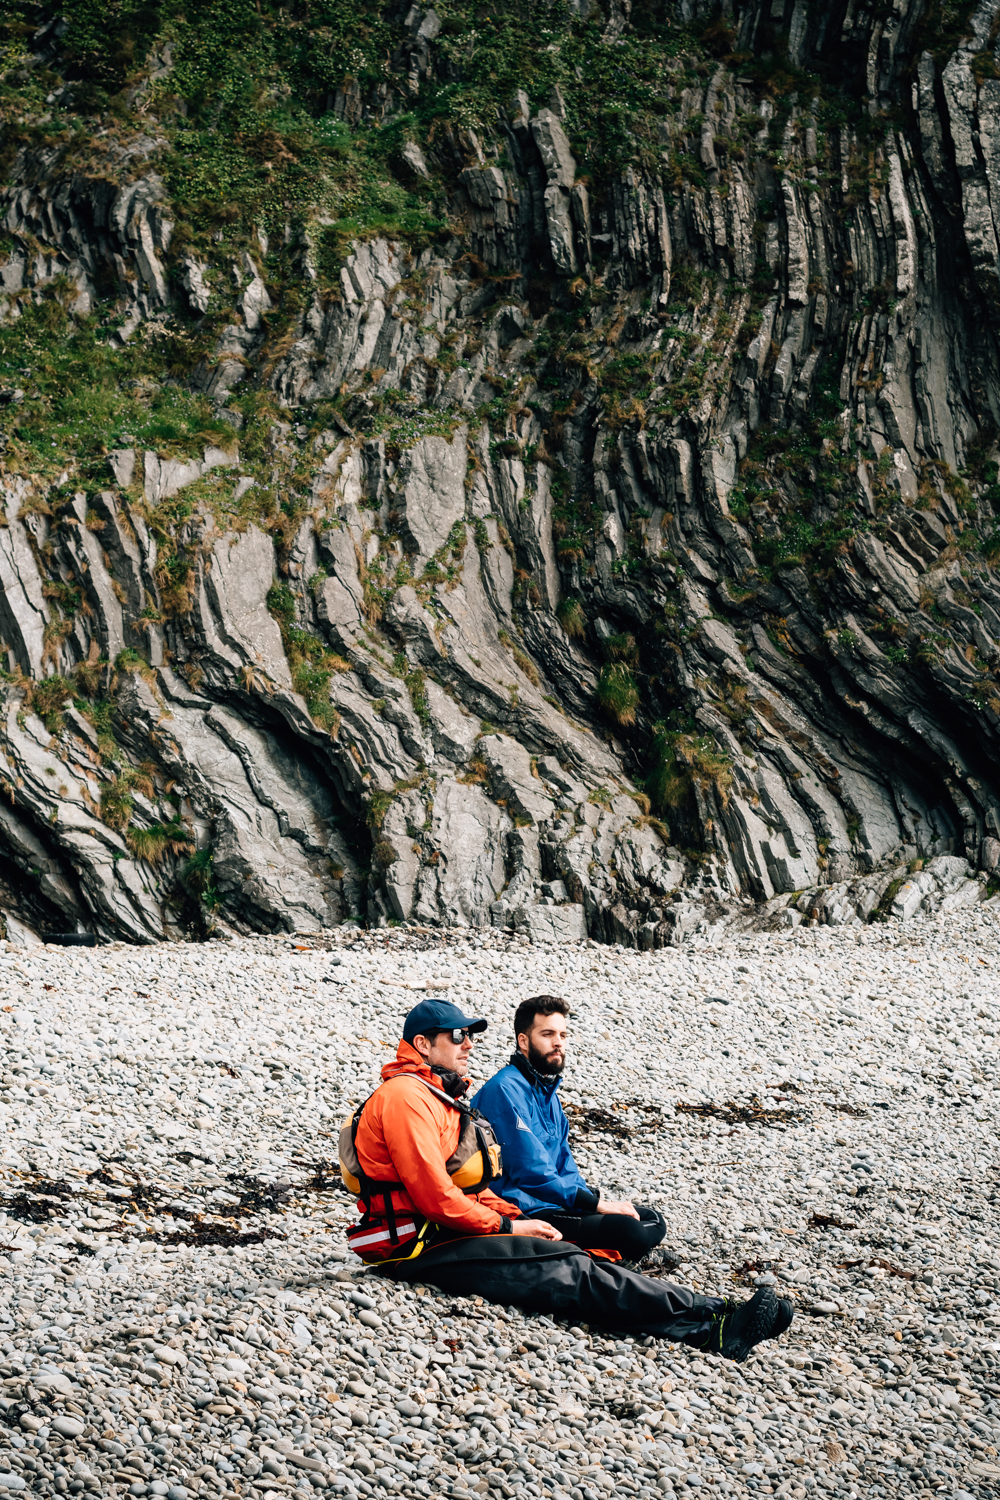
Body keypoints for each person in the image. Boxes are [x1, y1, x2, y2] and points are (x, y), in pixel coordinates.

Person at [341, 998, 793, 1362]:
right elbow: (433, 1195)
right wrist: (510, 1227)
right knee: (568, 1273)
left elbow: (467, 1190)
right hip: (419, 1247)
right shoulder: (405, 1098)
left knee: (576, 1255)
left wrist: (511, 1217)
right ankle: (713, 1330)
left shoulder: (435, 1095)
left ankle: (720, 1310)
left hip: (446, 1233)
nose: (468, 1045)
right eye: (457, 1036)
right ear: (421, 1043)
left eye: (470, 1036)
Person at [472, 995, 666, 1262]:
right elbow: (531, 1172)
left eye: (563, 1034)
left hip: (557, 1203)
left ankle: (602, 1250)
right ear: (524, 1041)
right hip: (525, 1211)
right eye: (548, 1034)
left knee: (652, 1219)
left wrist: (588, 1204)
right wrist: (595, 1205)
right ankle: (599, 1256)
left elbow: (564, 1163)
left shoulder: (546, 1093)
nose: (558, 1042)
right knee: (632, 1231)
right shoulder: (504, 1090)